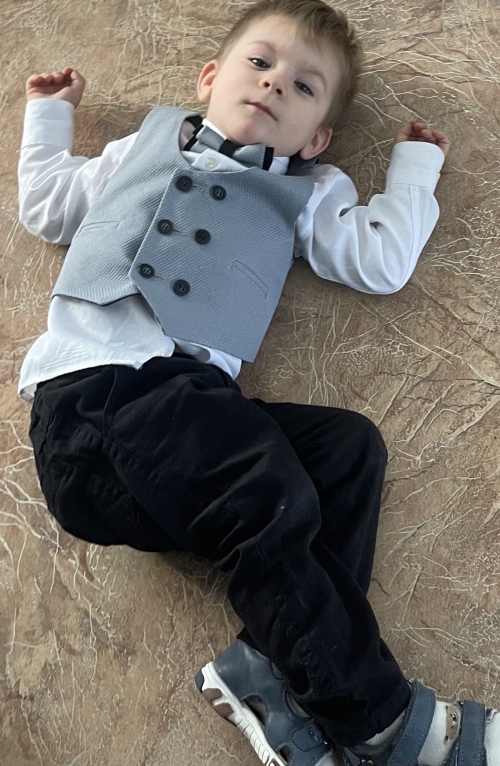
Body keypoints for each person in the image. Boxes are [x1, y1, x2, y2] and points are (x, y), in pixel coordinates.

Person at [18, 0, 498, 763]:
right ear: (210, 79)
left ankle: (268, 677)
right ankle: (380, 722)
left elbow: (381, 261)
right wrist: (49, 115)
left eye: (305, 86)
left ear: (316, 138)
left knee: (346, 452)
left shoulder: (310, 191)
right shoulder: (142, 145)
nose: (275, 83)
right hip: (92, 406)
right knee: (258, 482)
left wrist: (414, 171)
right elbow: (47, 204)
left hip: (187, 436)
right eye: (260, 61)